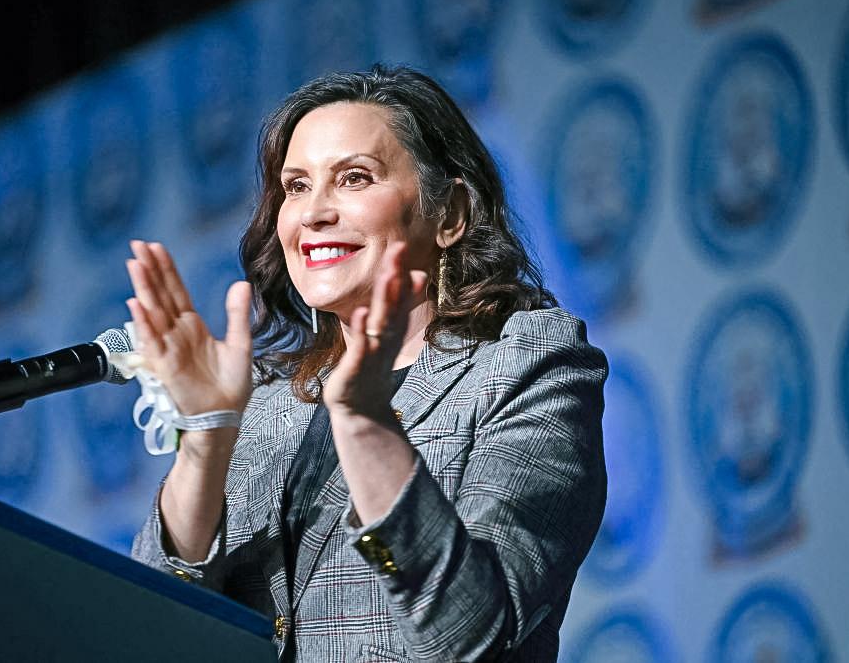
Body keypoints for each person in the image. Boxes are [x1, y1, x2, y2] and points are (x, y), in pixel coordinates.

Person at [129, 65, 608, 662]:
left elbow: (466, 638)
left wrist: (367, 427)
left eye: (354, 179)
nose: (312, 214)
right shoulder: (263, 402)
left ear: (451, 213)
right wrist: (202, 443)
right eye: (296, 186)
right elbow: (148, 635)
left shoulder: (526, 367)